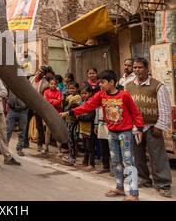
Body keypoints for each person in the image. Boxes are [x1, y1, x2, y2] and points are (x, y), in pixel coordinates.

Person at [63, 70, 145, 201]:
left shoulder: (124, 96)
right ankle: (119, 187)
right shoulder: (101, 95)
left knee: (128, 162)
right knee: (116, 161)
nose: (100, 84)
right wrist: (71, 112)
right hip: (111, 133)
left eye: (103, 82)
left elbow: (136, 113)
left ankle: (134, 194)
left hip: (125, 134)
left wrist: (139, 129)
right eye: (100, 82)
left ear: (112, 82)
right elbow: (87, 106)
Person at [125, 57, 173, 198]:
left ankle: (163, 184)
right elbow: (126, 107)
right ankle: (144, 179)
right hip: (136, 127)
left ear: (147, 69)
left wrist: (160, 125)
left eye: (140, 67)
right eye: (135, 67)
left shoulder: (158, 86)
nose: (137, 70)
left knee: (157, 156)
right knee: (138, 155)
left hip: (152, 127)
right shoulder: (128, 85)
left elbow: (165, 108)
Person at [24, 65, 53, 151]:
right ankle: (25, 142)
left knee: (39, 125)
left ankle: (40, 144)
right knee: (26, 124)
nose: (39, 72)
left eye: (41, 72)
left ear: (44, 74)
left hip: (38, 106)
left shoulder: (45, 83)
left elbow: (43, 96)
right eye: (38, 70)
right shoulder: (31, 79)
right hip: (29, 104)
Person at [76, 85, 96, 172]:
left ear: (90, 93)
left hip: (91, 128)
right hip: (83, 128)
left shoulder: (91, 103)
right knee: (85, 146)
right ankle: (85, 162)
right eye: (82, 93)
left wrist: (79, 117)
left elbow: (90, 117)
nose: (83, 95)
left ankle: (92, 164)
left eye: (85, 93)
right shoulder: (82, 103)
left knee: (90, 147)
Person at [62, 82, 81, 165]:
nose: (71, 90)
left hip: (73, 120)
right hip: (68, 119)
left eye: (73, 88)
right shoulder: (69, 96)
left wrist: (69, 106)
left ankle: (73, 157)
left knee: (72, 139)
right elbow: (65, 104)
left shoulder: (78, 97)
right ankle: (71, 155)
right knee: (69, 138)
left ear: (77, 89)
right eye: (69, 88)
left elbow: (73, 105)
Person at [43, 78, 63, 155]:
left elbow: (59, 102)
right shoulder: (46, 92)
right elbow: (45, 101)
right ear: (49, 84)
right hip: (49, 114)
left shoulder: (59, 93)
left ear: (57, 85)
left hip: (57, 114)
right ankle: (46, 147)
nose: (53, 85)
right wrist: (53, 101)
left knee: (57, 132)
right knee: (48, 132)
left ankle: (59, 150)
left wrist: (50, 101)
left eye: (54, 84)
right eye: (51, 84)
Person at [6, 89, 28, 157]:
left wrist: (26, 105)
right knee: (8, 129)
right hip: (12, 110)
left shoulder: (26, 84)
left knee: (22, 131)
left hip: (23, 111)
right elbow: (6, 94)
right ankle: (4, 147)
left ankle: (19, 149)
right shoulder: (11, 83)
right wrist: (8, 103)